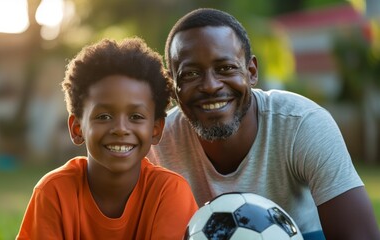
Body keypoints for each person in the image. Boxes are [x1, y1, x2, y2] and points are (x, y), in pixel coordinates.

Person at [147, 8, 380, 240]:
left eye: (226, 68)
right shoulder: (156, 142)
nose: (210, 86)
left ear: (251, 72)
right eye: (190, 74)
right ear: (173, 86)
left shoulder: (302, 124)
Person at [16, 37, 198, 239]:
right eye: (104, 116)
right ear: (77, 128)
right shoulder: (54, 191)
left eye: (136, 117)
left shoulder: (169, 192)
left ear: (156, 129)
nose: (120, 129)